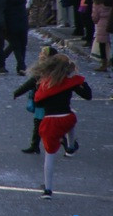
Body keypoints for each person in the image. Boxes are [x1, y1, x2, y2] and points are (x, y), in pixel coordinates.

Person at [33, 53, 91, 198]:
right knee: (71, 117)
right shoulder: (71, 82)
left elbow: (38, 102)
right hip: (66, 118)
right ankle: (70, 147)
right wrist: (82, 83)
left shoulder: (45, 83)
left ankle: (48, 189)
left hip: (49, 121)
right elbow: (87, 96)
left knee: (49, 156)